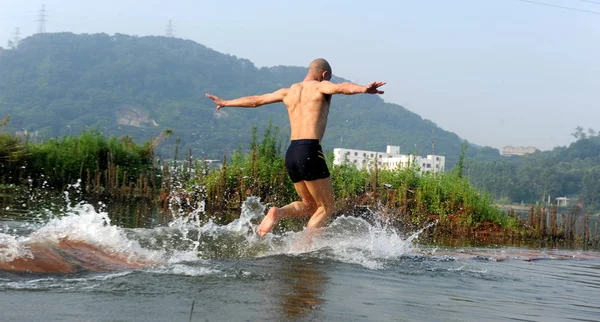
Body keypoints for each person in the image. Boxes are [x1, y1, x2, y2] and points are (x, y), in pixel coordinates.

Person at [206, 58, 386, 237]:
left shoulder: (288, 91)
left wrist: (226, 102)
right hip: (310, 150)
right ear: (324, 75)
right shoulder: (320, 86)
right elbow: (343, 87)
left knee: (310, 205)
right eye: (327, 79)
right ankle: (304, 248)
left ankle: (278, 212)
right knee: (327, 207)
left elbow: (256, 100)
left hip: (292, 152)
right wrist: (363, 89)